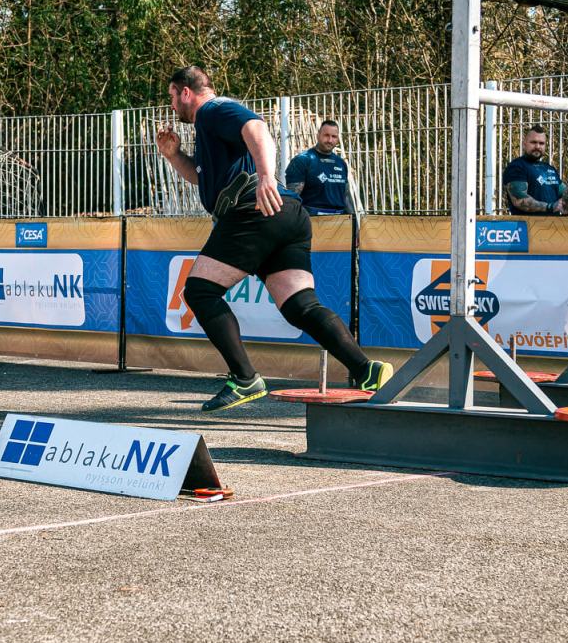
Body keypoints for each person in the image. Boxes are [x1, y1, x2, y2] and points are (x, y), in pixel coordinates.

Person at [155, 66, 392, 411]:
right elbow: (204, 179)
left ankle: (245, 378)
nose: (172, 105)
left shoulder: (213, 110)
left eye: (173, 97)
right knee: (300, 305)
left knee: (200, 291)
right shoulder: (209, 128)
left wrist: (267, 176)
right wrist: (174, 156)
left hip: (254, 211)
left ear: (186, 92)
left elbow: (257, 128)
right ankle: (366, 369)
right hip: (287, 214)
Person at [285, 120, 354, 215]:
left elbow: (346, 196)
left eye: (334, 136)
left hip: (341, 220)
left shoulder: (341, 163)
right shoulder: (302, 160)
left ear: (338, 139)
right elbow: (291, 199)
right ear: (318, 136)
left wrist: (353, 219)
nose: (330, 140)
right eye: (326, 135)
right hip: (311, 219)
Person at [501, 125, 564, 214]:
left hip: (554, 222)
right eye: (533, 142)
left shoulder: (549, 169)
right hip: (528, 222)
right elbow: (520, 201)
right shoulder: (516, 167)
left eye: (541, 143)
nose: (537, 146)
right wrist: (550, 207)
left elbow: (567, 195)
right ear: (524, 144)